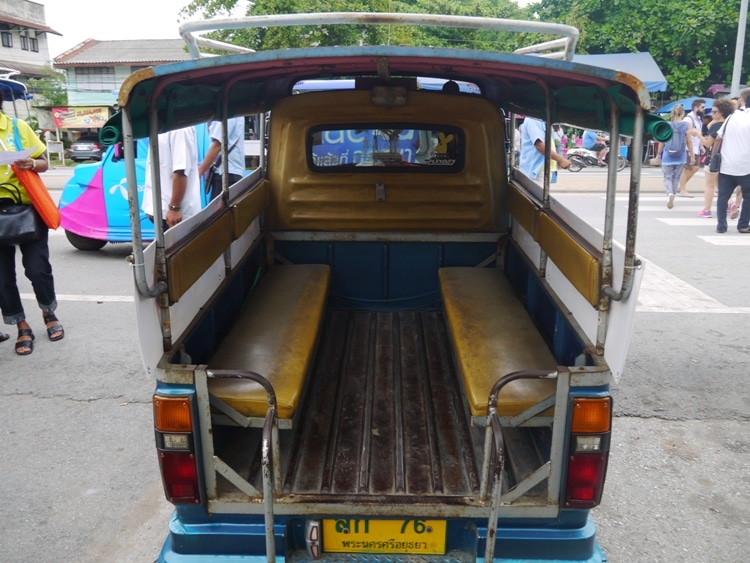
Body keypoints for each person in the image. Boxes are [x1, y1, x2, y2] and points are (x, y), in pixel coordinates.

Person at [0, 91, 64, 355]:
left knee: (38, 268)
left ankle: (49, 313)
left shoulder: (17, 127)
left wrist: (31, 163)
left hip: (27, 208)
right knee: (2, 277)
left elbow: (44, 163)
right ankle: (21, 325)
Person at [142, 126, 201, 230]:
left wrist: (174, 207)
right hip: (163, 210)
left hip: (174, 214)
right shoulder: (162, 125)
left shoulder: (180, 128)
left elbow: (181, 171)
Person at [714, 88, 750, 233]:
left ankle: (721, 226)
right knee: (748, 197)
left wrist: (713, 157)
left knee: (723, 197)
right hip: (746, 166)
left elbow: (718, 138)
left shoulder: (731, 117)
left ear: (742, 100)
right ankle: (742, 225)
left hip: (726, 165)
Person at [694, 98, 734, 218]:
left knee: (709, 185)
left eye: (714, 112)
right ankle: (731, 203)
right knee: (720, 185)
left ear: (721, 112)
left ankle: (707, 210)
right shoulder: (729, 125)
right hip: (726, 158)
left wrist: (698, 135)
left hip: (713, 158)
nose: (712, 114)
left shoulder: (716, 126)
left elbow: (707, 144)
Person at [198, 117, 246, 201]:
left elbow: (216, 146)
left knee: (218, 213)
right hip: (230, 173)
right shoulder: (235, 112)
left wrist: (199, 172)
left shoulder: (227, 113)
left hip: (225, 174)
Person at [519, 117, 571, 182]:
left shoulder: (542, 119)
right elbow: (539, 146)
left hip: (544, 169)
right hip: (536, 171)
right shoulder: (534, 119)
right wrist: (560, 159)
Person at [660, 104, 690, 209]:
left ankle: (669, 194)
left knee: (667, 177)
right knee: (676, 177)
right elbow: (689, 141)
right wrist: (693, 154)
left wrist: (658, 154)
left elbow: (662, 140)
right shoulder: (686, 125)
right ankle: (672, 194)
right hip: (681, 156)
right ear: (683, 113)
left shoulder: (667, 124)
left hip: (667, 155)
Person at [677, 98, 707, 197]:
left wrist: (701, 146)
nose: (704, 109)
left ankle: (682, 186)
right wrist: (689, 150)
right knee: (688, 168)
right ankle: (682, 189)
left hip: (696, 147)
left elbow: (699, 132)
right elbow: (686, 136)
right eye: (702, 107)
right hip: (688, 148)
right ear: (696, 107)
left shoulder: (698, 119)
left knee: (695, 168)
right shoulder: (688, 119)